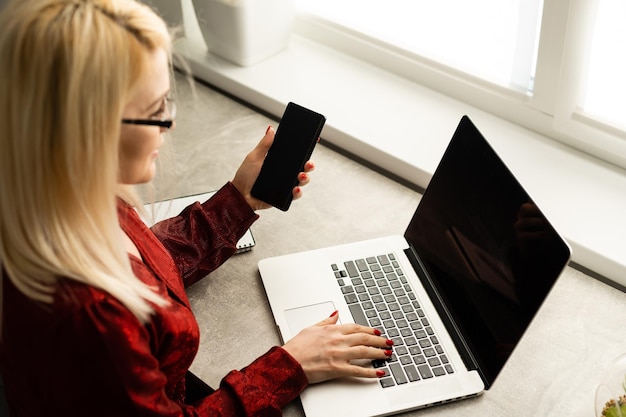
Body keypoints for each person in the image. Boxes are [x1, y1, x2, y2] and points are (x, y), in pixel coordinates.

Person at [0, 0, 394, 415]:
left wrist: (239, 201)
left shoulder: (58, 200)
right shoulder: (94, 319)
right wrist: (291, 365)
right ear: (86, 133)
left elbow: (145, 268)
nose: (169, 125)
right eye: (155, 111)